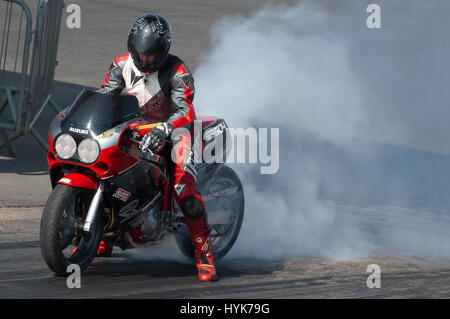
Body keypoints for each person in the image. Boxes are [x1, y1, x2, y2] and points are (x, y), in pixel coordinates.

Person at [99, 13, 218, 282]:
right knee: (107, 174)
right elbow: (105, 97)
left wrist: (165, 128)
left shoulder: (178, 72)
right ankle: (102, 234)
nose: (144, 60)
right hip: (133, 131)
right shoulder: (120, 65)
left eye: (150, 56)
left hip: (175, 134)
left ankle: (204, 254)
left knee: (184, 194)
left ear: (163, 51)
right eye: (139, 54)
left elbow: (185, 109)